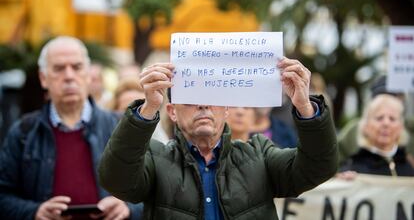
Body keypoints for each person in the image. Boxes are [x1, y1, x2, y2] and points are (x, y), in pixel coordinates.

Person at [98, 57, 338, 219]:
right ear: (172, 112)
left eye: (212, 97)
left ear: (226, 109)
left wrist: (306, 107)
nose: (203, 105)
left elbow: (318, 167)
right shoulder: (155, 158)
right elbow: (116, 179)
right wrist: (148, 108)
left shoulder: (259, 154)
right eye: (192, 98)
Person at [0, 36, 143, 219]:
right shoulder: (23, 133)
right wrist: (35, 212)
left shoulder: (121, 128)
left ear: (88, 75)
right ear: (44, 78)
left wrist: (128, 209)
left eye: (76, 67)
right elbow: (3, 197)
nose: (69, 76)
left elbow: (153, 194)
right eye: (59, 68)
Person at [339, 94, 414, 176]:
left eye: (392, 119)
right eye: (379, 118)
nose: (386, 123)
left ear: (401, 127)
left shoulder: (409, 167)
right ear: (366, 126)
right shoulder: (352, 169)